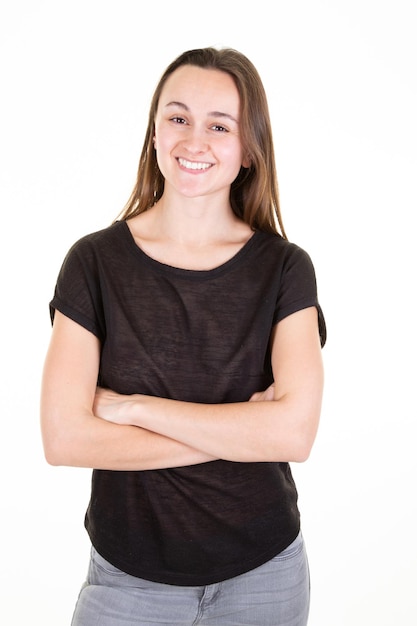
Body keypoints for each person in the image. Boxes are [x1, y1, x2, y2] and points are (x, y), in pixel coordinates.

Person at [41, 46, 326, 626]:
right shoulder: (94, 263)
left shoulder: (285, 268)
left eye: (219, 126)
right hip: (127, 580)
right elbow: (65, 438)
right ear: (153, 132)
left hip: (264, 577)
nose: (194, 141)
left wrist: (132, 408)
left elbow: (293, 434)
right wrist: (241, 432)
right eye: (178, 118)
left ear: (247, 148)